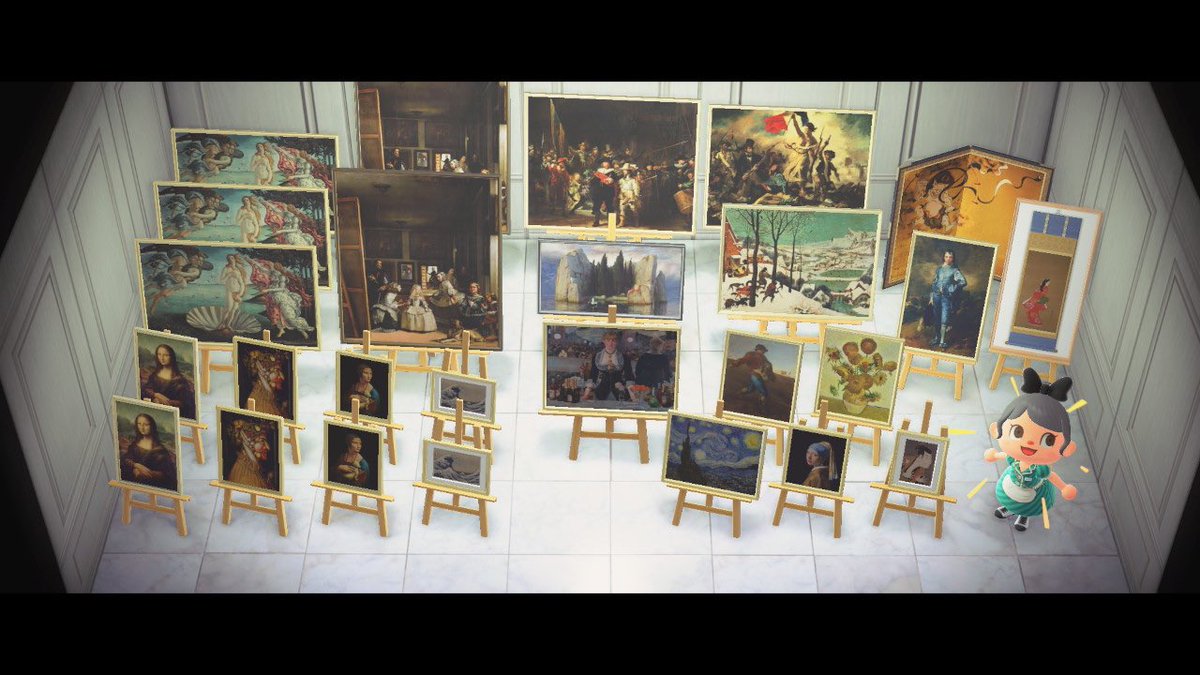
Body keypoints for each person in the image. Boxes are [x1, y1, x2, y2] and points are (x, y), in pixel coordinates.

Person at [984, 368, 1079, 532]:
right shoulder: (1014, 458)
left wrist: (1063, 487)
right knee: (1009, 497)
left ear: (1067, 448)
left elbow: (1051, 476)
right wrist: (995, 455)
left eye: (1048, 440)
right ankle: (1009, 508)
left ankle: (1024, 516)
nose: (1029, 442)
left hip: (1034, 492)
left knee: (1028, 505)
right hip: (1012, 484)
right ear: (996, 429)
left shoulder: (1041, 469)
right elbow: (1005, 454)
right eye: (1018, 432)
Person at [119, 412, 178, 492]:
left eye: (146, 425)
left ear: (152, 426)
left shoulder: (160, 450)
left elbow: (168, 474)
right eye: (139, 424)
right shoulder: (135, 444)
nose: (142, 428)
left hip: (153, 484)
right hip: (134, 483)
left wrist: (148, 473)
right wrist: (136, 465)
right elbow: (125, 459)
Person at [140, 343, 196, 421]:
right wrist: (156, 395)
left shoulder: (180, 380)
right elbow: (145, 389)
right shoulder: (154, 375)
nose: (162, 358)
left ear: (171, 357)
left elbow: (186, 403)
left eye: (166, 355)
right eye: (159, 354)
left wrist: (166, 402)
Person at [928, 249, 967, 348]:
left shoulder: (955, 270)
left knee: (944, 319)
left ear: (953, 258)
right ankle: (937, 338)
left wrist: (952, 288)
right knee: (937, 318)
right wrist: (931, 297)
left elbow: (963, 282)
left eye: (950, 257)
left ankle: (942, 341)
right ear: (944, 257)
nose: (948, 259)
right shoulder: (939, 269)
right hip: (936, 296)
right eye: (946, 257)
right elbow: (934, 283)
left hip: (946, 297)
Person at [227, 420, 276, 491]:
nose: (268, 447)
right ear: (249, 443)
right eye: (262, 441)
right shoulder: (245, 477)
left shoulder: (254, 467)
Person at [728, 343, 775, 411]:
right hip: (755, 375)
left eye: (764, 351)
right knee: (764, 392)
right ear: (759, 349)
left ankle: (737, 394)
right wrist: (733, 364)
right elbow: (743, 360)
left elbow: (769, 366)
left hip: (760, 376)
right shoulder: (752, 354)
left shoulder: (763, 357)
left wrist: (771, 376)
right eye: (763, 350)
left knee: (750, 389)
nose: (764, 352)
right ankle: (764, 408)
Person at [244, 349, 287, 418]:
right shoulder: (261, 377)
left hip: (268, 393)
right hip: (262, 393)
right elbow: (262, 373)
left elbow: (271, 388)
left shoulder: (276, 375)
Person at [592, 331, 625, 401]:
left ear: (617, 342)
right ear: (604, 341)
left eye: (613, 340)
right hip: (601, 388)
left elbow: (628, 375)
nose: (610, 343)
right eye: (608, 340)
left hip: (618, 388)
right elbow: (593, 373)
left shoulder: (623, 357)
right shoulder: (597, 356)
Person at [590, 160, 617, 226]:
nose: (606, 164)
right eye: (604, 163)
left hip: (608, 191)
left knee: (609, 207)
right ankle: (596, 221)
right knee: (597, 206)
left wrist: (611, 180)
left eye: (607, 163)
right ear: (602, 164)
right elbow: (593, 181)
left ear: (609, 164)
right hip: (599, 192)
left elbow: (615, 180)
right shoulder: (598, 172)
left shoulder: (612, 172)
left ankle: (611, 222)